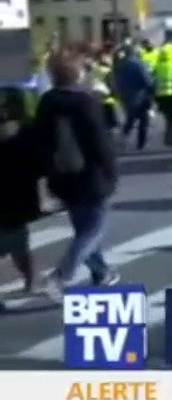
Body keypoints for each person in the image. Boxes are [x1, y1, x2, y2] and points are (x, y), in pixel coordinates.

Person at [34, 49, 121, 298]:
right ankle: (61, 276)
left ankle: (101, 272)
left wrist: (47, 177)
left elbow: (41, 139)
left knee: (83, 227)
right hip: (92, 176)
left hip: (62, 177)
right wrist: (112, 173)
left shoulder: (47, 101)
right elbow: (99, 142)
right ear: (78, 73)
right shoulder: (86, 101)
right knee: (93, 230)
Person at [0, 87, 43, 293]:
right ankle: (32, 279)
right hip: (18, 195)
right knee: (18, 240)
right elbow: (38, 163)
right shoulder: (28, 129)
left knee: (16, 239)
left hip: (13, 195)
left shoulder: (25, 130)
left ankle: (32, 278)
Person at [112, 44, 154, 151]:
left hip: (126, 96)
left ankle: (123, 139)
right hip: (140, 96)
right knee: (143, 121)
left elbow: (117, 81)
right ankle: (141, 144)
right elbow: (147, 81)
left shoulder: (121, 65)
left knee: (130, 119)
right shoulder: (139, 64)